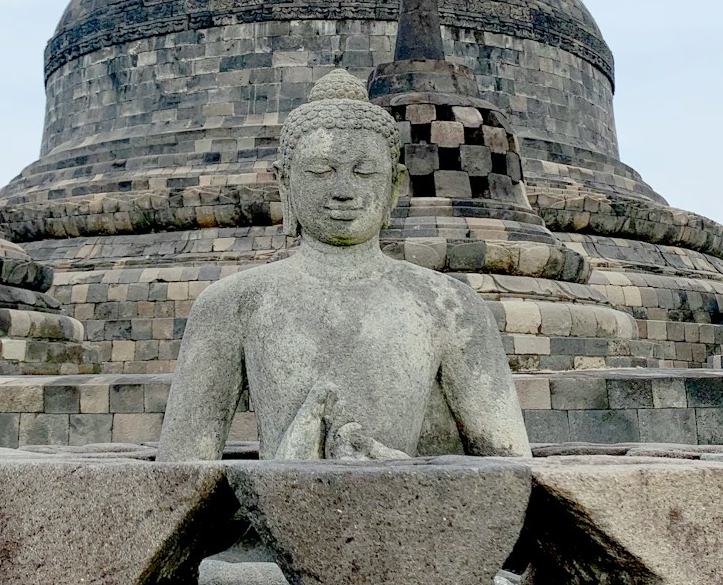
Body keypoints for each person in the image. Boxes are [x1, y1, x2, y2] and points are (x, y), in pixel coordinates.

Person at [157, 69, 531, 461]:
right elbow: (180, 473)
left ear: (393, 185)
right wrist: (286, 471)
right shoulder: (232, 304)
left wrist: (406, 472)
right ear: (285, 183)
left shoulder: (450, 306)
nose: (343, 192)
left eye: (364, 172)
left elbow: (509, 469)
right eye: (320, 172)